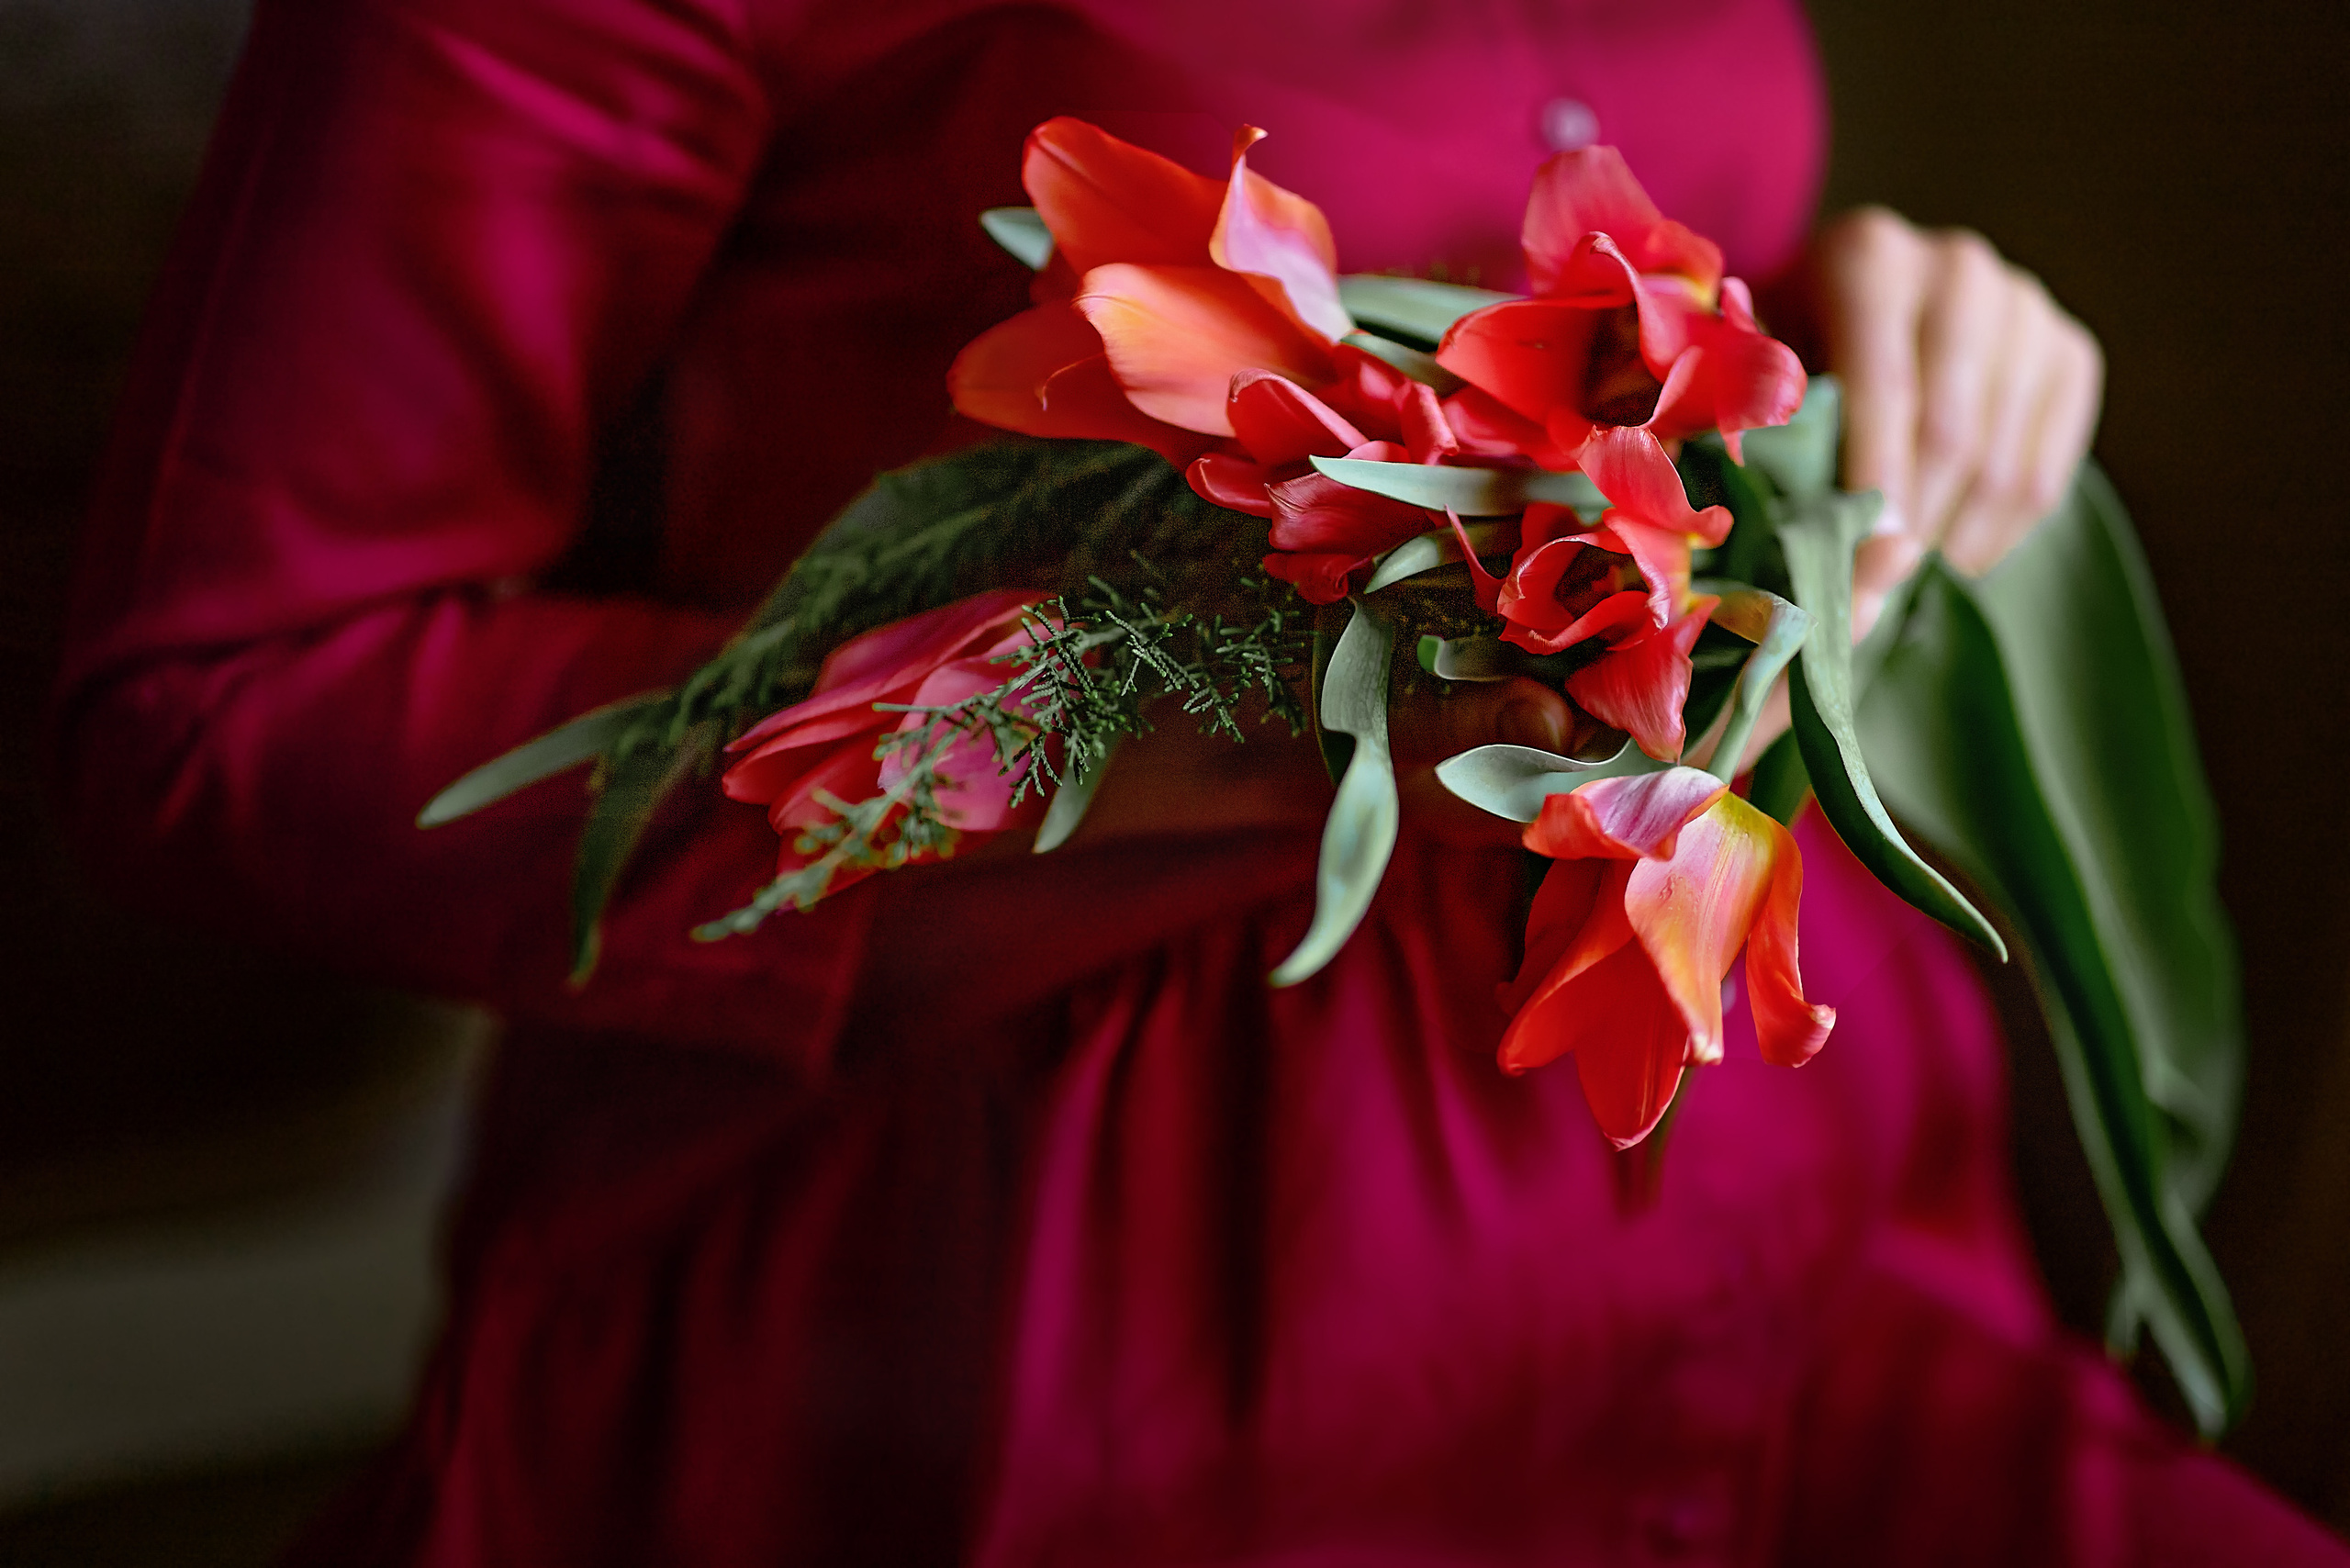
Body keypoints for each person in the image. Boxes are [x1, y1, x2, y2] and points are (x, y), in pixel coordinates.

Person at [47, 0, 2345, 1561]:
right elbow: (227, 702)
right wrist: (1166, 715)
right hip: (1051, 1341)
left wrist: (1828, 349)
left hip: (1801, 1213)